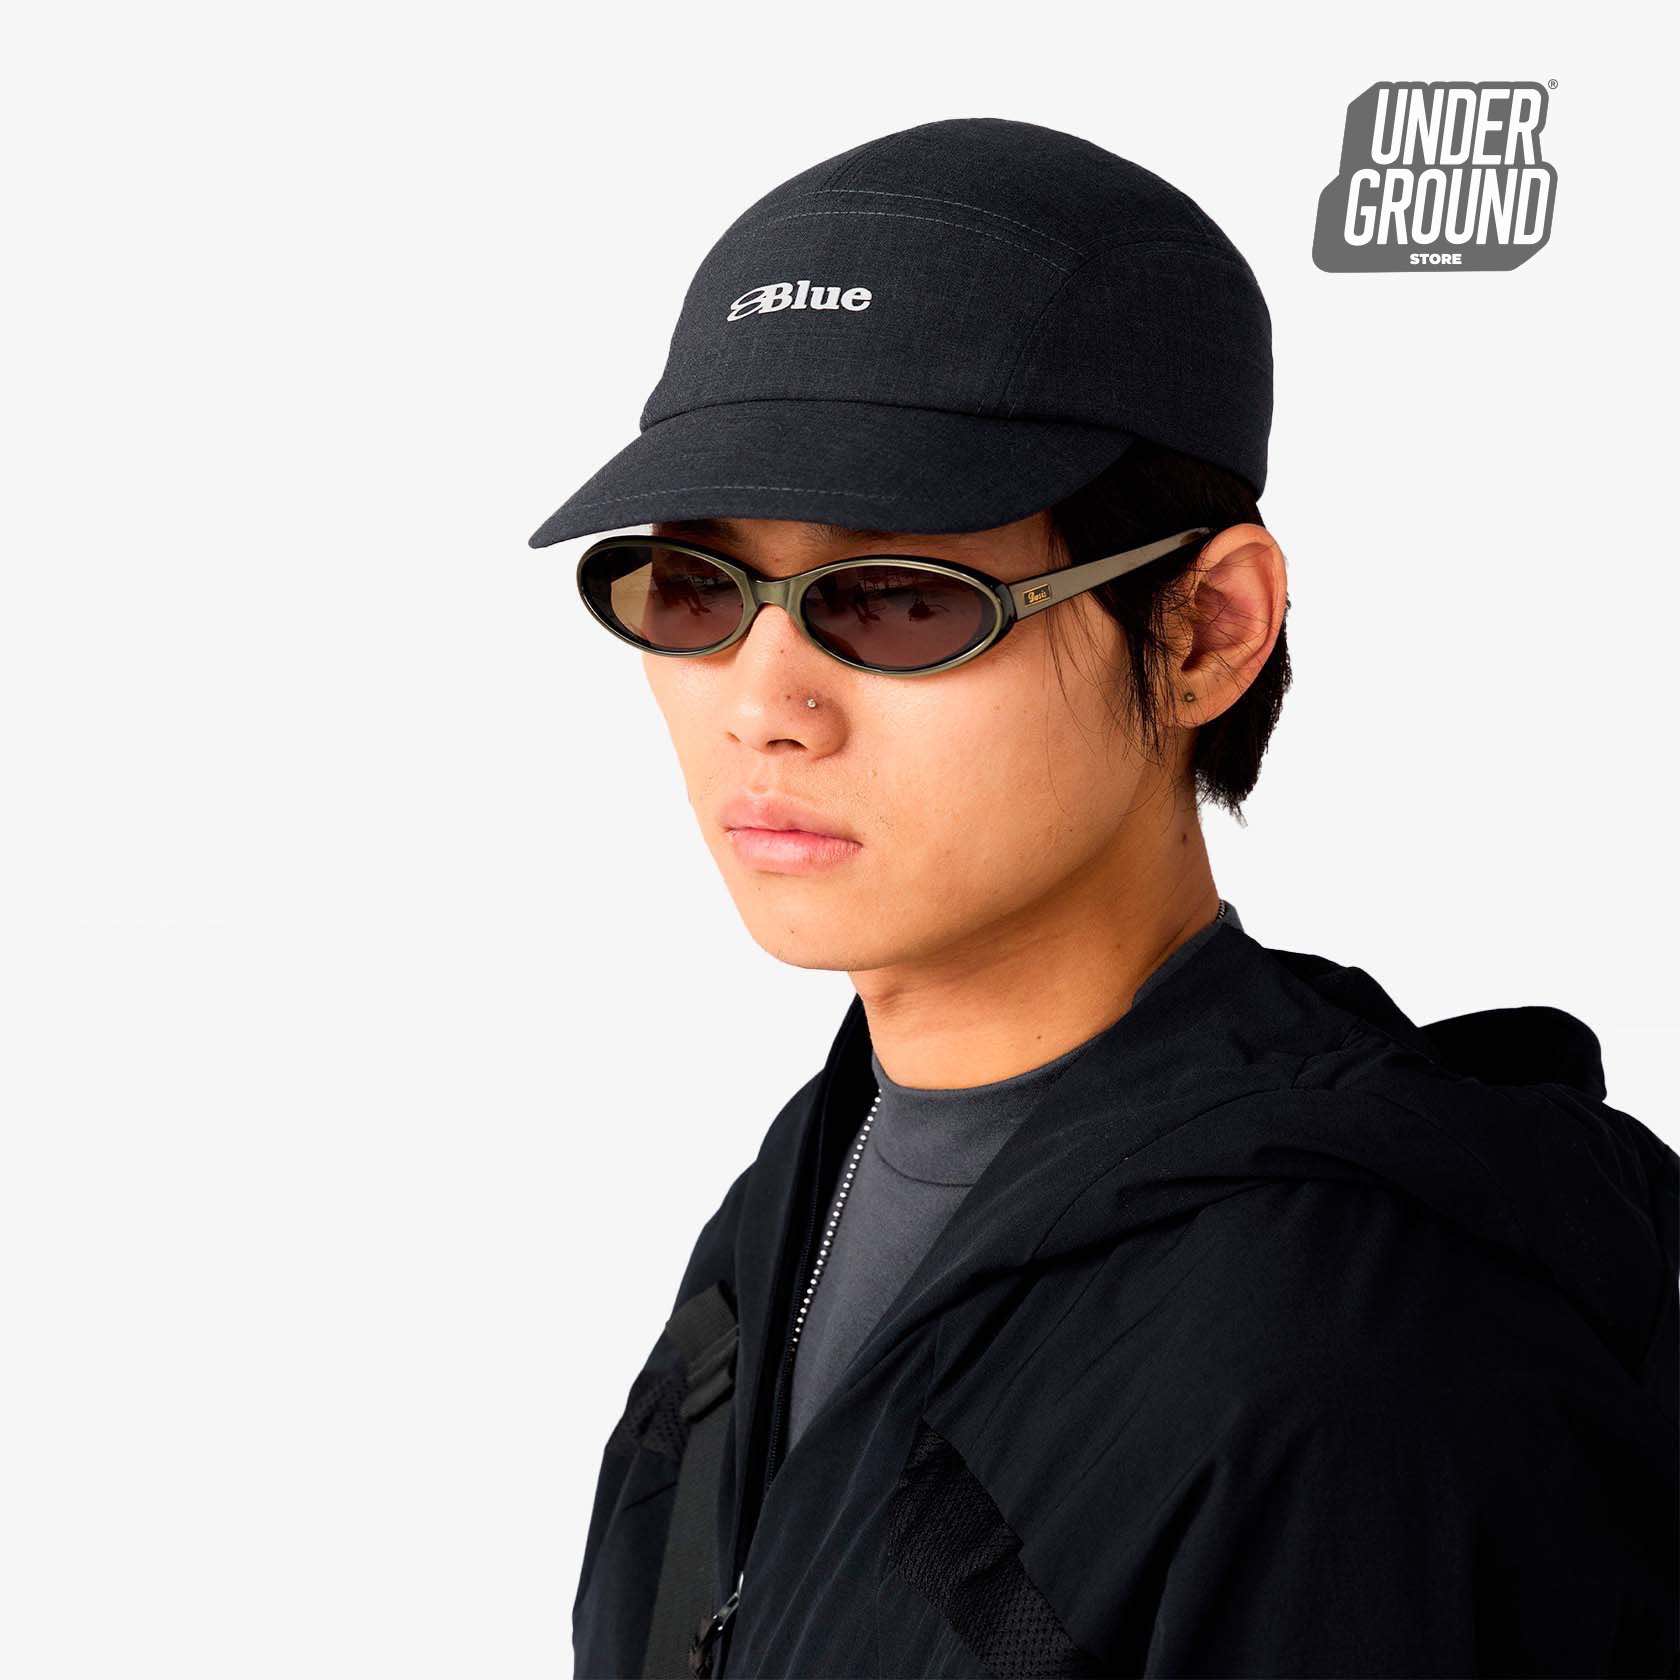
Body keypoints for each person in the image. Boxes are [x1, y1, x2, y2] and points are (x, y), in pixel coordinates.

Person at [528, 117, 1679, 1679]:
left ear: (1207, 630)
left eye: (898, 598)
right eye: (695, 588)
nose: (763, 705)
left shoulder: (1362, 1345)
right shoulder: (798, 1192)